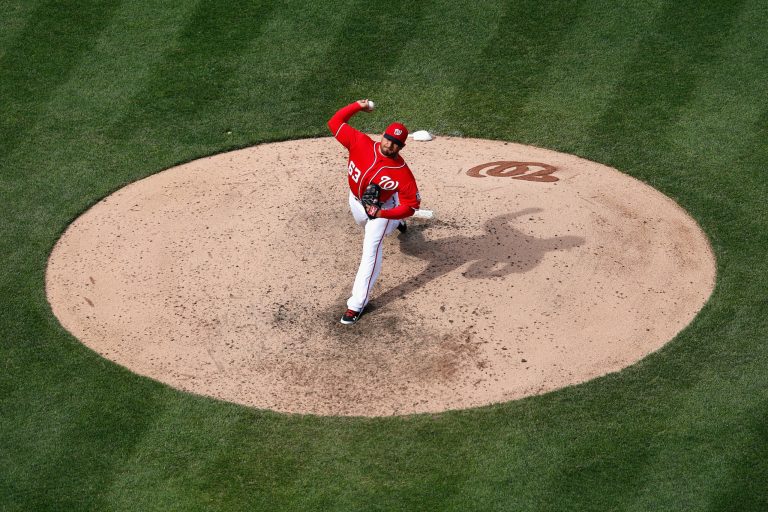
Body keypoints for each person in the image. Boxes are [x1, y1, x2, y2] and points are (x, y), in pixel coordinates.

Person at [327, 99, 421, 324]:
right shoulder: (359, 142)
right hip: (356, 202)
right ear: (382, 136)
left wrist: (382, 214)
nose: (390, 146)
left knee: (370, 253)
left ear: (401, 147)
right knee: (365, 223)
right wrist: (357, 106)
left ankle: (356, 305)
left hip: (383, 210)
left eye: (396, 144)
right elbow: (335, 122)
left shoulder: (402, 173)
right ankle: (395, 225)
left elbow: (411, 206)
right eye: (389, 139)